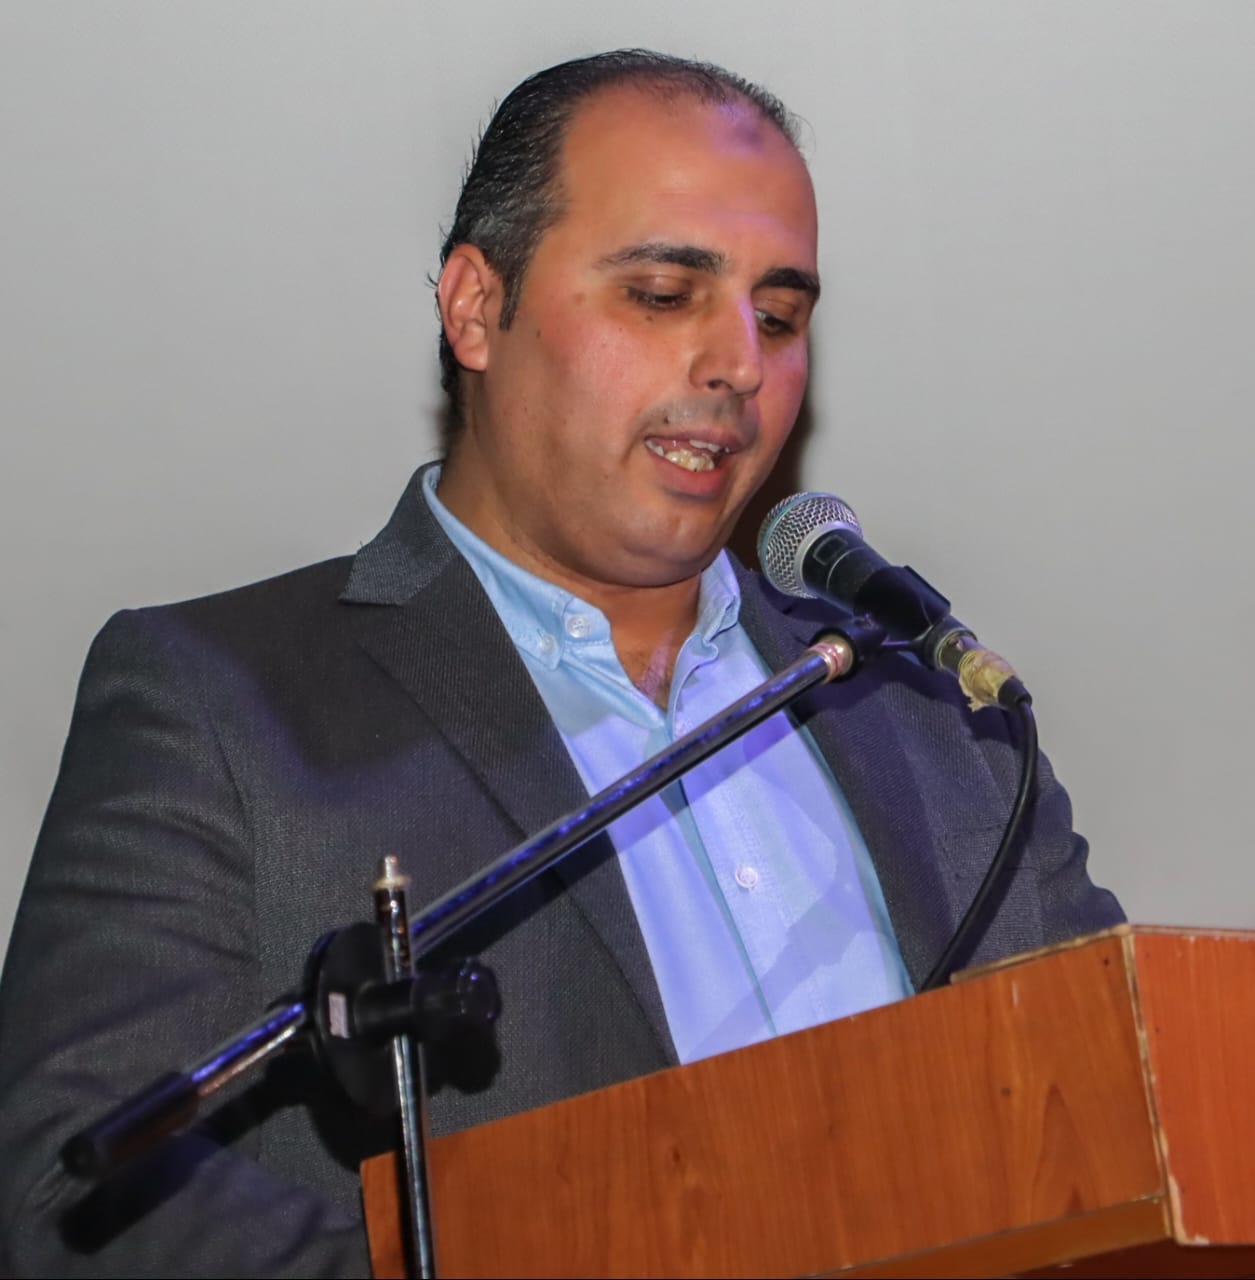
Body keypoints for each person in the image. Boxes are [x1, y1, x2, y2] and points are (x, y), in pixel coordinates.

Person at [0, 50, 1122, 1278]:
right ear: (475, 307)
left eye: (779, 315)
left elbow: (1132, 1105)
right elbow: (76, 1197)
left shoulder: (937, 716)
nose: (738, 363)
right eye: (662, 293)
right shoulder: (219, 701)